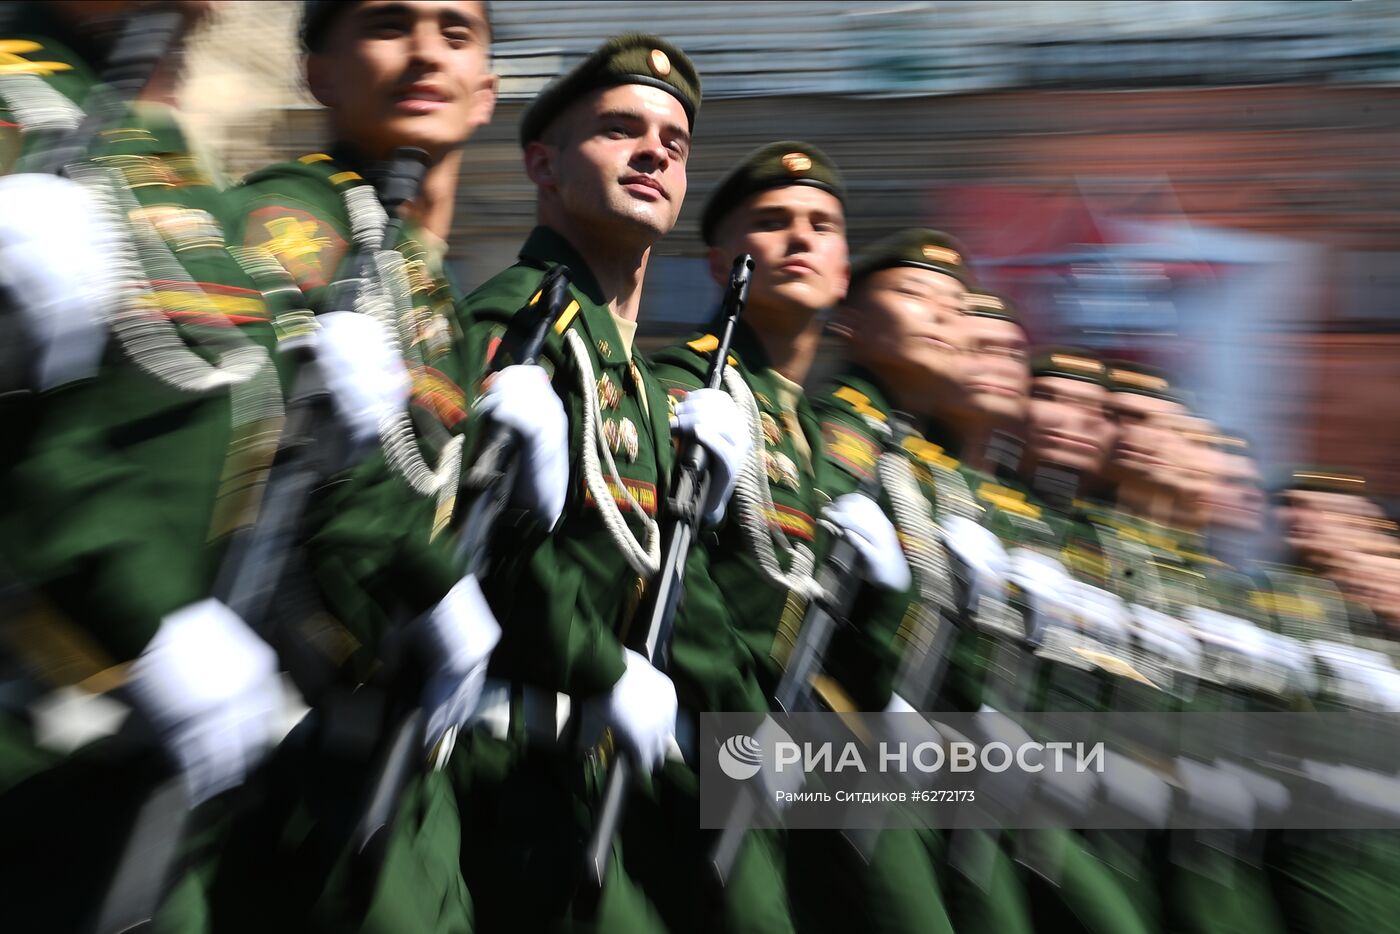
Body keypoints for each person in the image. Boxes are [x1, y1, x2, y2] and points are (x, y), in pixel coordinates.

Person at [447, 33, 745, 934]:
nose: (655, 150)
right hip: (500, 794)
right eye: (620, 129)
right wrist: (598, 663)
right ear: (544, 163)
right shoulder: (517, 323)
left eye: (674, 141)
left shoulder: (646, 386)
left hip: (604, 793)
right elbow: (452, 553)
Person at [0, 2, 290, 931]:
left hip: (728, 753)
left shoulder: (716, 393)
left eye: (673, 140)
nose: (654, 158)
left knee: (753, 871)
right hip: (46, 751)